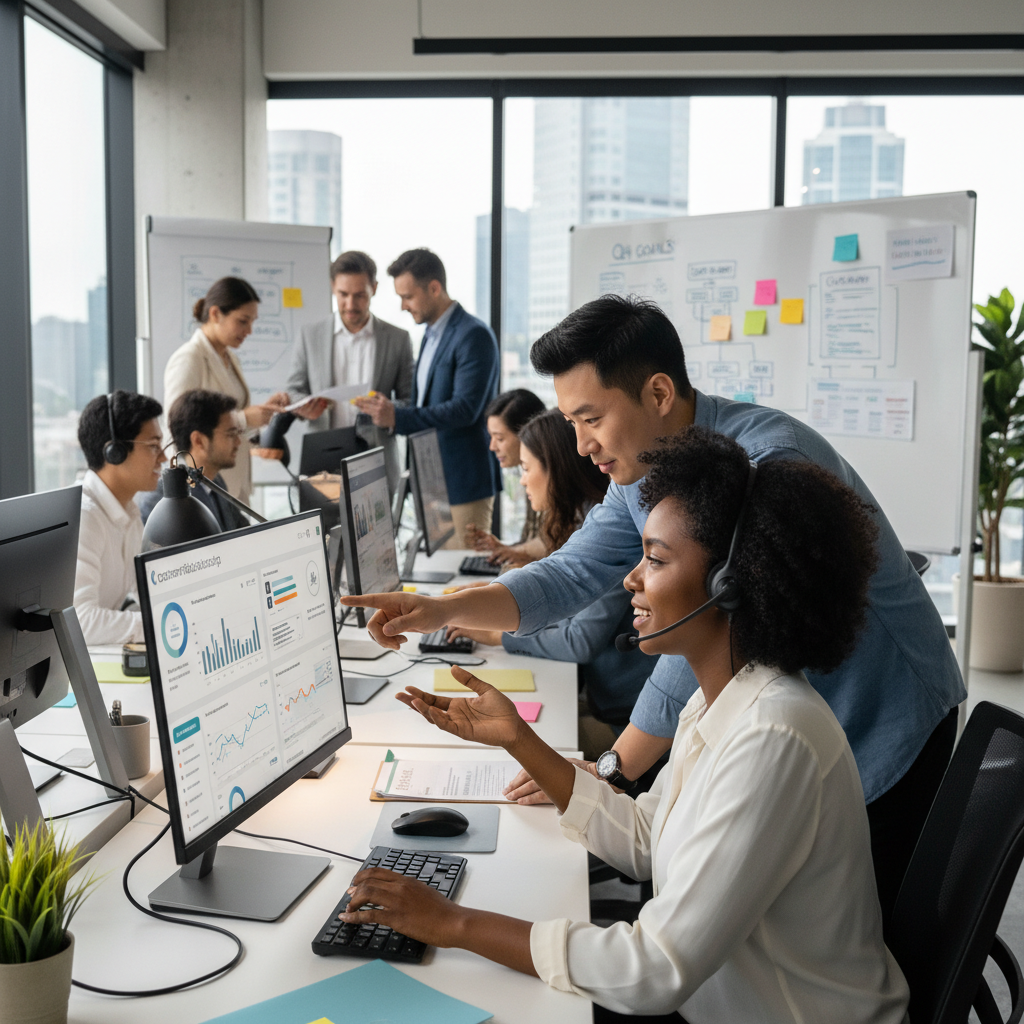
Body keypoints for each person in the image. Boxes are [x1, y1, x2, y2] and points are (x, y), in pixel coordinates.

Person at [340, 293, 965, 933]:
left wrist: (616, 766)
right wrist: (440, 608)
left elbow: (706, 633)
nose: (580, 446)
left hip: (883, 718)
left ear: (659, 394)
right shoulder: (643, 471)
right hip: (780, 723)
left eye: (590, 419)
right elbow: (570, 571)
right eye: (570, 423)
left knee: (847, 934)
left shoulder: (761, 471)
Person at [340, 428, 910, 1022]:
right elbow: (646, 838)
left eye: (656, 559)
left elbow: (653, 970)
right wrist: (517, 738)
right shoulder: (724, 698)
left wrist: (452, 923)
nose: (630, 580)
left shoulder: (774, 736)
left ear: (731, 586)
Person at [447, 409, 658, 756]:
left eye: (527, 469)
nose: (523, 480)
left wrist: (500, 635)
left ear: (556, 471)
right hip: (606, 701)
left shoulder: (605, 536)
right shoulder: (578, 521)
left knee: (500, 747)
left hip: (625, 722)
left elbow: (579, 640)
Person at [354, 248, 500, 547]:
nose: (403, 307)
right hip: (430, 484)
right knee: (438, 583)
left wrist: (398, 417)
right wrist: (390, 408)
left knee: (462, 582)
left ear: (434, 288)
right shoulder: (430, 335)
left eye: (408, 297)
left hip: (462, 484)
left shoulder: (474, 335)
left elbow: (465, 409)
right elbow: (428, 404)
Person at [286, 250, 414, 495]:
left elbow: (410, 402)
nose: (350, 305)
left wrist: (389, 411)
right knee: (323, 532)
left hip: (377, 459)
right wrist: (303, 405)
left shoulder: (398, 339)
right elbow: (293, 389)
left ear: (374, 288)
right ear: (333, 286)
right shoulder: (310, 335)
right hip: (322, 459)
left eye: (360, 295)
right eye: (343, 295)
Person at [163, 276, 289, 505]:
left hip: (234, 482)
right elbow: (177, 432)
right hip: (205, 488)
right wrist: (243, 419)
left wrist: (259, 414)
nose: (249, 330)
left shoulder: (230, 358)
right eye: (243, 321)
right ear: (215, 314)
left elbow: (229, 420)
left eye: (252, 321)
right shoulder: (189, 358)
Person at [74, 390, 166, 645]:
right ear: (114, 452)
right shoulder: (84, 517)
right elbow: (80, 622)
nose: (164, 457)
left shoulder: (129, 513)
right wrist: (157, 624)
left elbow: (147, 592)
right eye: (153, 446)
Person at [138, 389, 249, 533]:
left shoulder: (215, 482)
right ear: (199, 440)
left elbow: (241, 529)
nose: (238, 442)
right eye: (231, 434)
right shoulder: (166, 495)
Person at [465, 388, 547, 568]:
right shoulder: (530, 475)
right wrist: (505, 549)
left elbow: (554, 548)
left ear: (527, 433)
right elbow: (536, 541)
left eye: (499, 438)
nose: (492, 446)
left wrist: (515, 552)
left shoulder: (549, 478)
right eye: (491, 437)